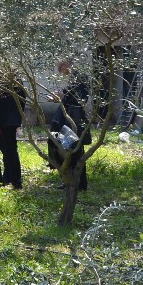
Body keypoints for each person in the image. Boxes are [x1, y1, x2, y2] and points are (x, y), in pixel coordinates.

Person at [48, 60, 91, 191]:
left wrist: (63, 95)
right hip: (69, 119)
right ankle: (69, 182)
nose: (60, 70)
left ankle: (79, 184)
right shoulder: (74, 78)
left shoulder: (80, 77)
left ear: (68, 64)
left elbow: (81, 98)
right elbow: (70, 97)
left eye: (61, 66)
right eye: (58, 67)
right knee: (66, 149)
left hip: (75, 120)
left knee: (76, 151)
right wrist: (61, 97)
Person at [0, 74, 27, 190]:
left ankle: (1, 179)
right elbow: (22, 100)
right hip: (6, 120)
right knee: (10, 151)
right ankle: (13, 180)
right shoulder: (16, 80)